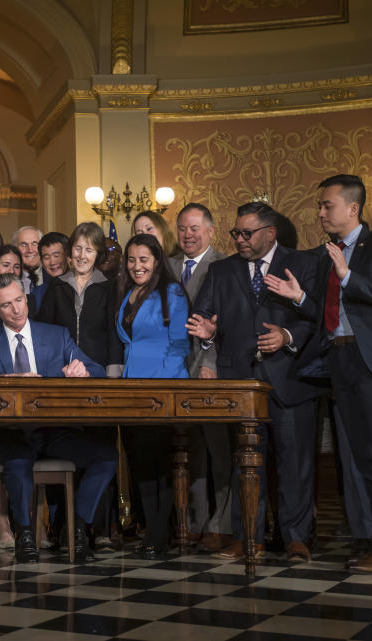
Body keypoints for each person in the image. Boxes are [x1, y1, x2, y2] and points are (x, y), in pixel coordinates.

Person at [289, 174, 372, 574]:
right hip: (339, 361)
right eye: (320, 206)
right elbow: (330, 314)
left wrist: (347, 275)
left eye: (327, 205)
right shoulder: (328, 253)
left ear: (353, 208)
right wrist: (302, 299)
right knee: (362, 459)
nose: (320, 212)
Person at [189, 202, 320, 562]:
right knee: (245, 462)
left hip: (290, 380)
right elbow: (203, 315)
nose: (240, 240)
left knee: (295, 463)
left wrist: (288, 336)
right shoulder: (221, 270)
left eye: (247, 233)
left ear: (270, 233)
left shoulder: (303, 264)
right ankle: (248, 537)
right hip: (240, 381)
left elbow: (318, 318)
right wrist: (208, 333)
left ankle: (296, 539)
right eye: (236, 233)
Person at [0, 274, 115, 563]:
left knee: (106, 456)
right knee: (19, 461)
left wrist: (83, 370)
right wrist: (9, 379)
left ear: (27, 299)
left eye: (19, 300)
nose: (17, 309)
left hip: (53, 429)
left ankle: (77, 530)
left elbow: (96, 368)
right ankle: (25, 535)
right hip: (9, 430)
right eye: (7, 305)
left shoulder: (55, 336)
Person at [116, 234, 190, 558]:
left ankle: (160, 534)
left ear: (157, 261)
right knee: (139, 462)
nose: (137, 266)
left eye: (143, 259)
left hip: (162, 388)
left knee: (159, 462)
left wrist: (161, 390)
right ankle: (152, 529)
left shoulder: (171, 293)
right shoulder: (128, 293)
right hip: (131, 388)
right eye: (131, 260)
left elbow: (179, 346)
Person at [168, 202, 230, 553]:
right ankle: (193, 522)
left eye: (194, 228)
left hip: (210, 369)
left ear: (210, 230)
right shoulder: (168, 265)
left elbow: (226, 321)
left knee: (219, 451)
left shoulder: (225, 265)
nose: (188, 235)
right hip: (175, 370)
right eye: (182, 229)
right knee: (189, 451)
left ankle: (220, 525)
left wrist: (212, 362)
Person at [37, 222, 123, 377]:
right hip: (62, 369)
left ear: (98, 254)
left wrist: (113, 371)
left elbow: (113, 332)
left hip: (97, 369)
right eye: (78, 248)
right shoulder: (56, 286)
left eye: (89, 250)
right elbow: (44, 330)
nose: (82, 256)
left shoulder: (109, 287)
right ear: (70, 251)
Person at [32, 231, 69, 310]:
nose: (52, 262)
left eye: (56, 256)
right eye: (46, 257)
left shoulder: (83, 289)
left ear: (68, 256)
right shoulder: (37, 294)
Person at [13, 226, 43, 292]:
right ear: (15, 249)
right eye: (23, 245)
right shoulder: (9, 277)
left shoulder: (53, 276)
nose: (30, 250)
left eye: (35, 244)